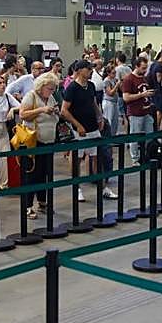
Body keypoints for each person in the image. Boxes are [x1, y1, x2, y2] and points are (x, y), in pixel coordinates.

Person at [62, 59, 107, 201]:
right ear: (80, 70)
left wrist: (100, 117)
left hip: (93, 127)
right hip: (79, 130)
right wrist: (78, 125)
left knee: (97, 156)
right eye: (88, 69)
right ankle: (77, 188)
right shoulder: (72, 88)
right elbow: (64, 110)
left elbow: (93, 103)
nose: (91, 71)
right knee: (77, 158)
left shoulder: (91, 85)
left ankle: (102, 186)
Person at [18, 73, 60, 218]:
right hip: (34, 141)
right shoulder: (31, 96)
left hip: (49, 141)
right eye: (49, 88)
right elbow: (22, 114)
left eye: (53, 89)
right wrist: (41, 110)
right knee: (32, 174)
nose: (51, 91)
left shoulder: (51, 98)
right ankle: (27, 205)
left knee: (45, 173)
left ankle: (42, 202)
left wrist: (55, 111)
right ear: (41, 86)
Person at [119, 56, 155, 163]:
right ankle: (135, 158)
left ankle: (148, 155)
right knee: (135, 136)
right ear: (136, 66)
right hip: (135, 112)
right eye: (143, 68)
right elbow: (126, 97)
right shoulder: (129, 79)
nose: (145, 71)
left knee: (150, 136)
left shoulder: (144, 78)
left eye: (146, 68)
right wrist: (142, 95)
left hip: (146, 111)